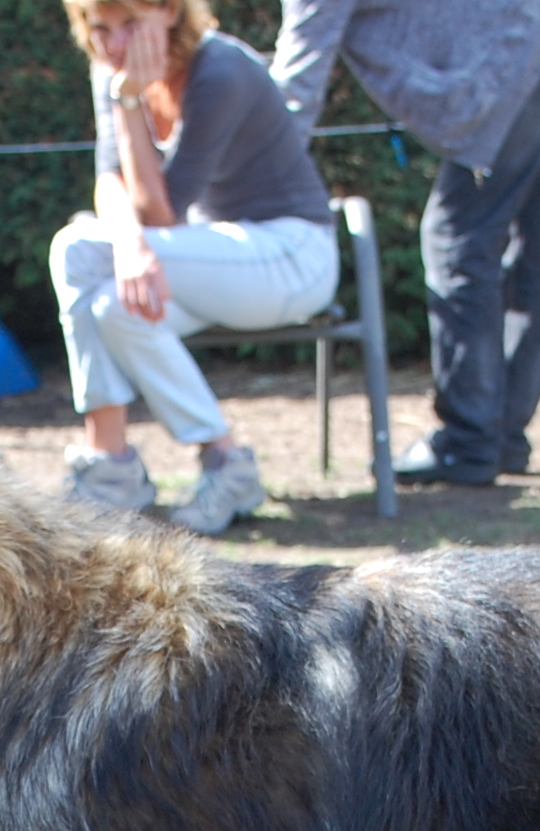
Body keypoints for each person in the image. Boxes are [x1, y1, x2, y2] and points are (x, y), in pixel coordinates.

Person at [273, 0, 540, 484]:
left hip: (525, 48)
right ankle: (501, 435)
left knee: (456, 237)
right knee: (538, 239)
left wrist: (251, 186)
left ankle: (469, 443)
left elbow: (295, 90)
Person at [49, 0, 336, 537]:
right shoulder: (113, 69)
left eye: (129, 24)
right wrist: (131, 244)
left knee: (77, 249)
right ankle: (226, 463)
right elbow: (110, 180)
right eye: (100, 28)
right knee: (115, 307)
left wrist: (129, 100)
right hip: (203, 257)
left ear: (170, 11)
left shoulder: (220, 71)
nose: (113, 44)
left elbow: (162, 211)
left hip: (291, 256)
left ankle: (108, 467)